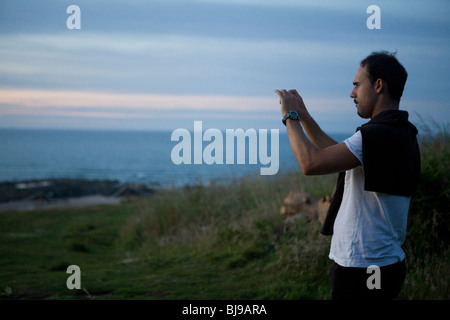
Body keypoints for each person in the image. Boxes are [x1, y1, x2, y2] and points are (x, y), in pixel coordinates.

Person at [274, 51, 421, 300]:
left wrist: (290, 116)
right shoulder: (398, 131)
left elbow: (310, 163)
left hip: (364, 268)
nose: (352, 93)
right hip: (380, 265)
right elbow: (332, 153)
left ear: (378, 85)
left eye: (356, 84)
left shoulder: (376, 135)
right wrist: (305, 115)